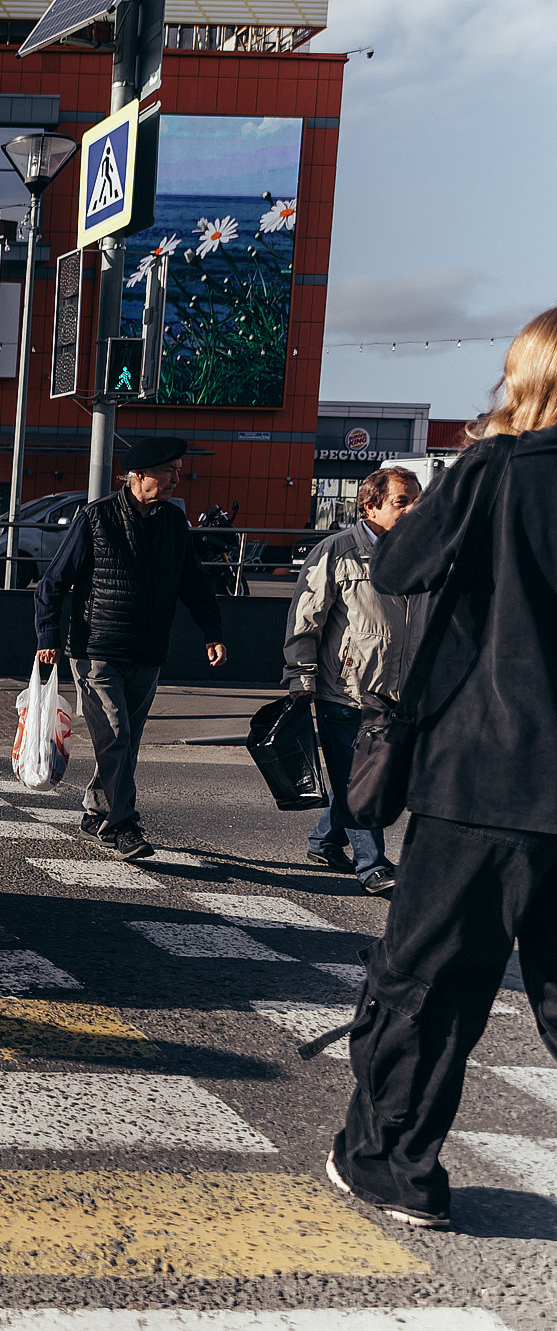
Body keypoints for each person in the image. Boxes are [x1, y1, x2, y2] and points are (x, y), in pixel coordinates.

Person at [322, 307, 557, 1233]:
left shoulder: (500, 472)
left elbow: (402, 565)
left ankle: (392, 1161)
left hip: (485, 778)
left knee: (429, 977)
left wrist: (474, 467)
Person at [33, 436, 228, 862]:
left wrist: (211, 632)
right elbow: (52, 585)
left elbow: (194, 583)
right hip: (97, 650)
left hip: (149, 653)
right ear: (139, 474)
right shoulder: (96, 517)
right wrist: (47, 638)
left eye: (179, 470)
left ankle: (96, 810)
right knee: (116, 734)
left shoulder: (174, 523)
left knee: (125, 741)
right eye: (169, 470)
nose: (178, 478)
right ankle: (122, 824)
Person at [282, 465, 425, 896]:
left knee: (368, 775)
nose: (413, 509)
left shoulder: (420, 553)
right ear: (370, 504)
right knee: (354, 778)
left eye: (417, 500)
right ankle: (373, 865)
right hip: (345, 690)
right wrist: (299, 677)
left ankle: (325, 840)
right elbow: (305, 620)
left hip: (398, 691)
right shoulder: (336, 551)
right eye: (403, 501)